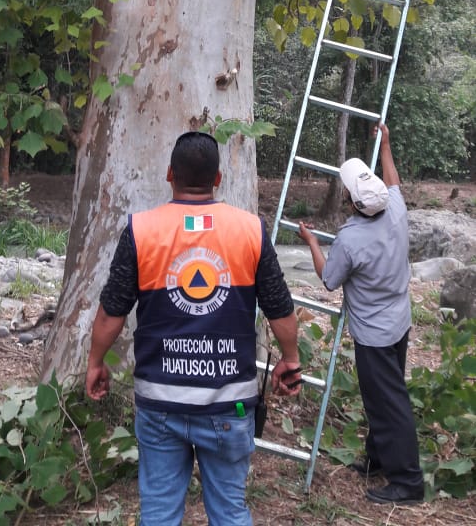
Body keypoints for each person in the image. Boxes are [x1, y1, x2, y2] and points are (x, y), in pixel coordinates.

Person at [86, 131, 301, 526]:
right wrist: (291, 359)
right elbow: (280, 309)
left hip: (159, 404)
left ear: (170, 174)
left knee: (160, 512)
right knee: (230, 511)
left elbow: (110, 313)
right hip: (230, 405)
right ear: (219, 179)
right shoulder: (251, 230)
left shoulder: (141, 231)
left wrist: (95, 361)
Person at [298, 122, 424, 506]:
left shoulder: (351, 240)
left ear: (353, 204)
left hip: (374, 336)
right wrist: (385, 145)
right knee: (383, 397)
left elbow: (329, 279)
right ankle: (378, 458)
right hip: (398, 322)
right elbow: (393, 180)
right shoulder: (396, 210)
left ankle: (408, 482)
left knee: (389, 403)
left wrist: (313, 243)